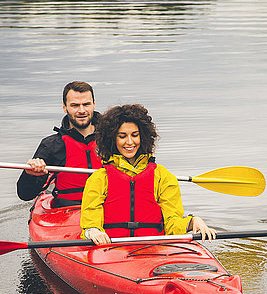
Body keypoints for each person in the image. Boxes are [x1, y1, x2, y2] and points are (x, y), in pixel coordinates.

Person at [80, 104, 216, 244]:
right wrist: (93, 230)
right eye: (122, 136)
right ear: (112, 139)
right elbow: (90, 220)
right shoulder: (99, 178)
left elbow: (172, 223)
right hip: (112, 247)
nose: (130, 142)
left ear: (143, 136)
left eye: (135, 135)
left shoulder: (162, 175)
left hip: (154, 246)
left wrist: (192, 221)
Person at [17, 81, 102, 207]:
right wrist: (30, 174)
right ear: (64, 107)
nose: (82, 110)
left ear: (93, 105)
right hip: (66, 210)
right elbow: (25, 194)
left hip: (107, 207)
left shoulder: (112, 139)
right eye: (75, 105)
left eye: (86, 104)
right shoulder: (52, 145)